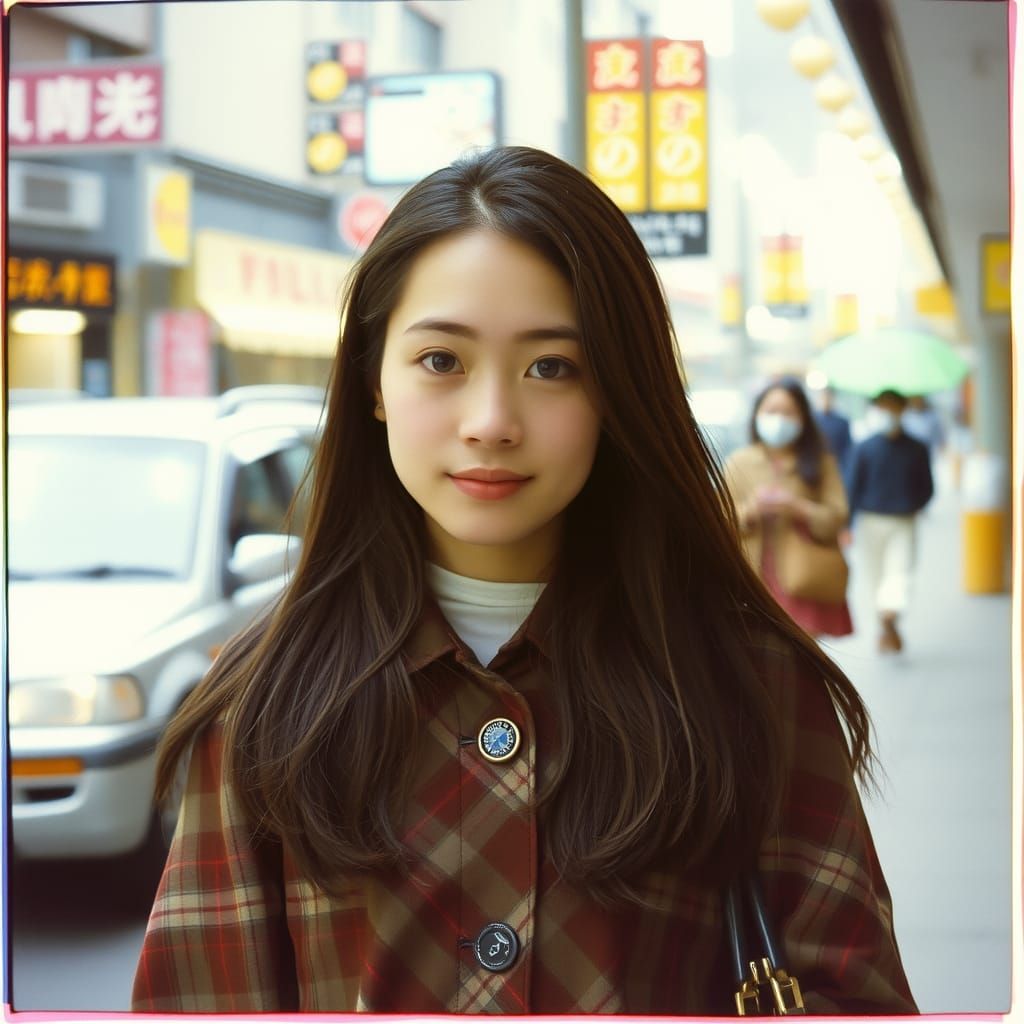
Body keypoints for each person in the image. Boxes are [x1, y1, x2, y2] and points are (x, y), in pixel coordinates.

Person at [131, 147, 915, 1015]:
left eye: (552, 367)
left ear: (615, 390)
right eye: (441, 361)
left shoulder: (752, 683)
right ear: (374, 381)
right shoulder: (263, 704)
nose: (492, 422)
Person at [724, 378, 853, 640]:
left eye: (788, 412)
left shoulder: (821, 462)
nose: (779, 419)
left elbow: (837, 517)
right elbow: (718, 518)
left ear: (803, 418)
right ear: (757, 415)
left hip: (803, 579)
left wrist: (798, 508)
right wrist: (751, 510)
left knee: (801, 660)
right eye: (771, 411)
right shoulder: (739, 462)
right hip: (753, 580)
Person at [845, 389, 934, 653]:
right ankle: (886, 626)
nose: (887, 413)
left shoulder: (917, 448)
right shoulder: (864, 447)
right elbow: (852, 487)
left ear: (902, 410)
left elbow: (928, 487)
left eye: (892, 407)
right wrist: (846, 525)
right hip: (870, 521)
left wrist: (915, 505)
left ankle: (889, 619)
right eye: (882, 407)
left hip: (903, 521)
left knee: (900, 574)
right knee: (875, 577)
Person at [813, 385, 853, 469]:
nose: (826, 400)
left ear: (833, 398)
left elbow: (847, 449)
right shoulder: (813, 419)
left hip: (836, 465)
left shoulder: (842, 422)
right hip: (815, 464)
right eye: (823, 397)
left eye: (828, 397)